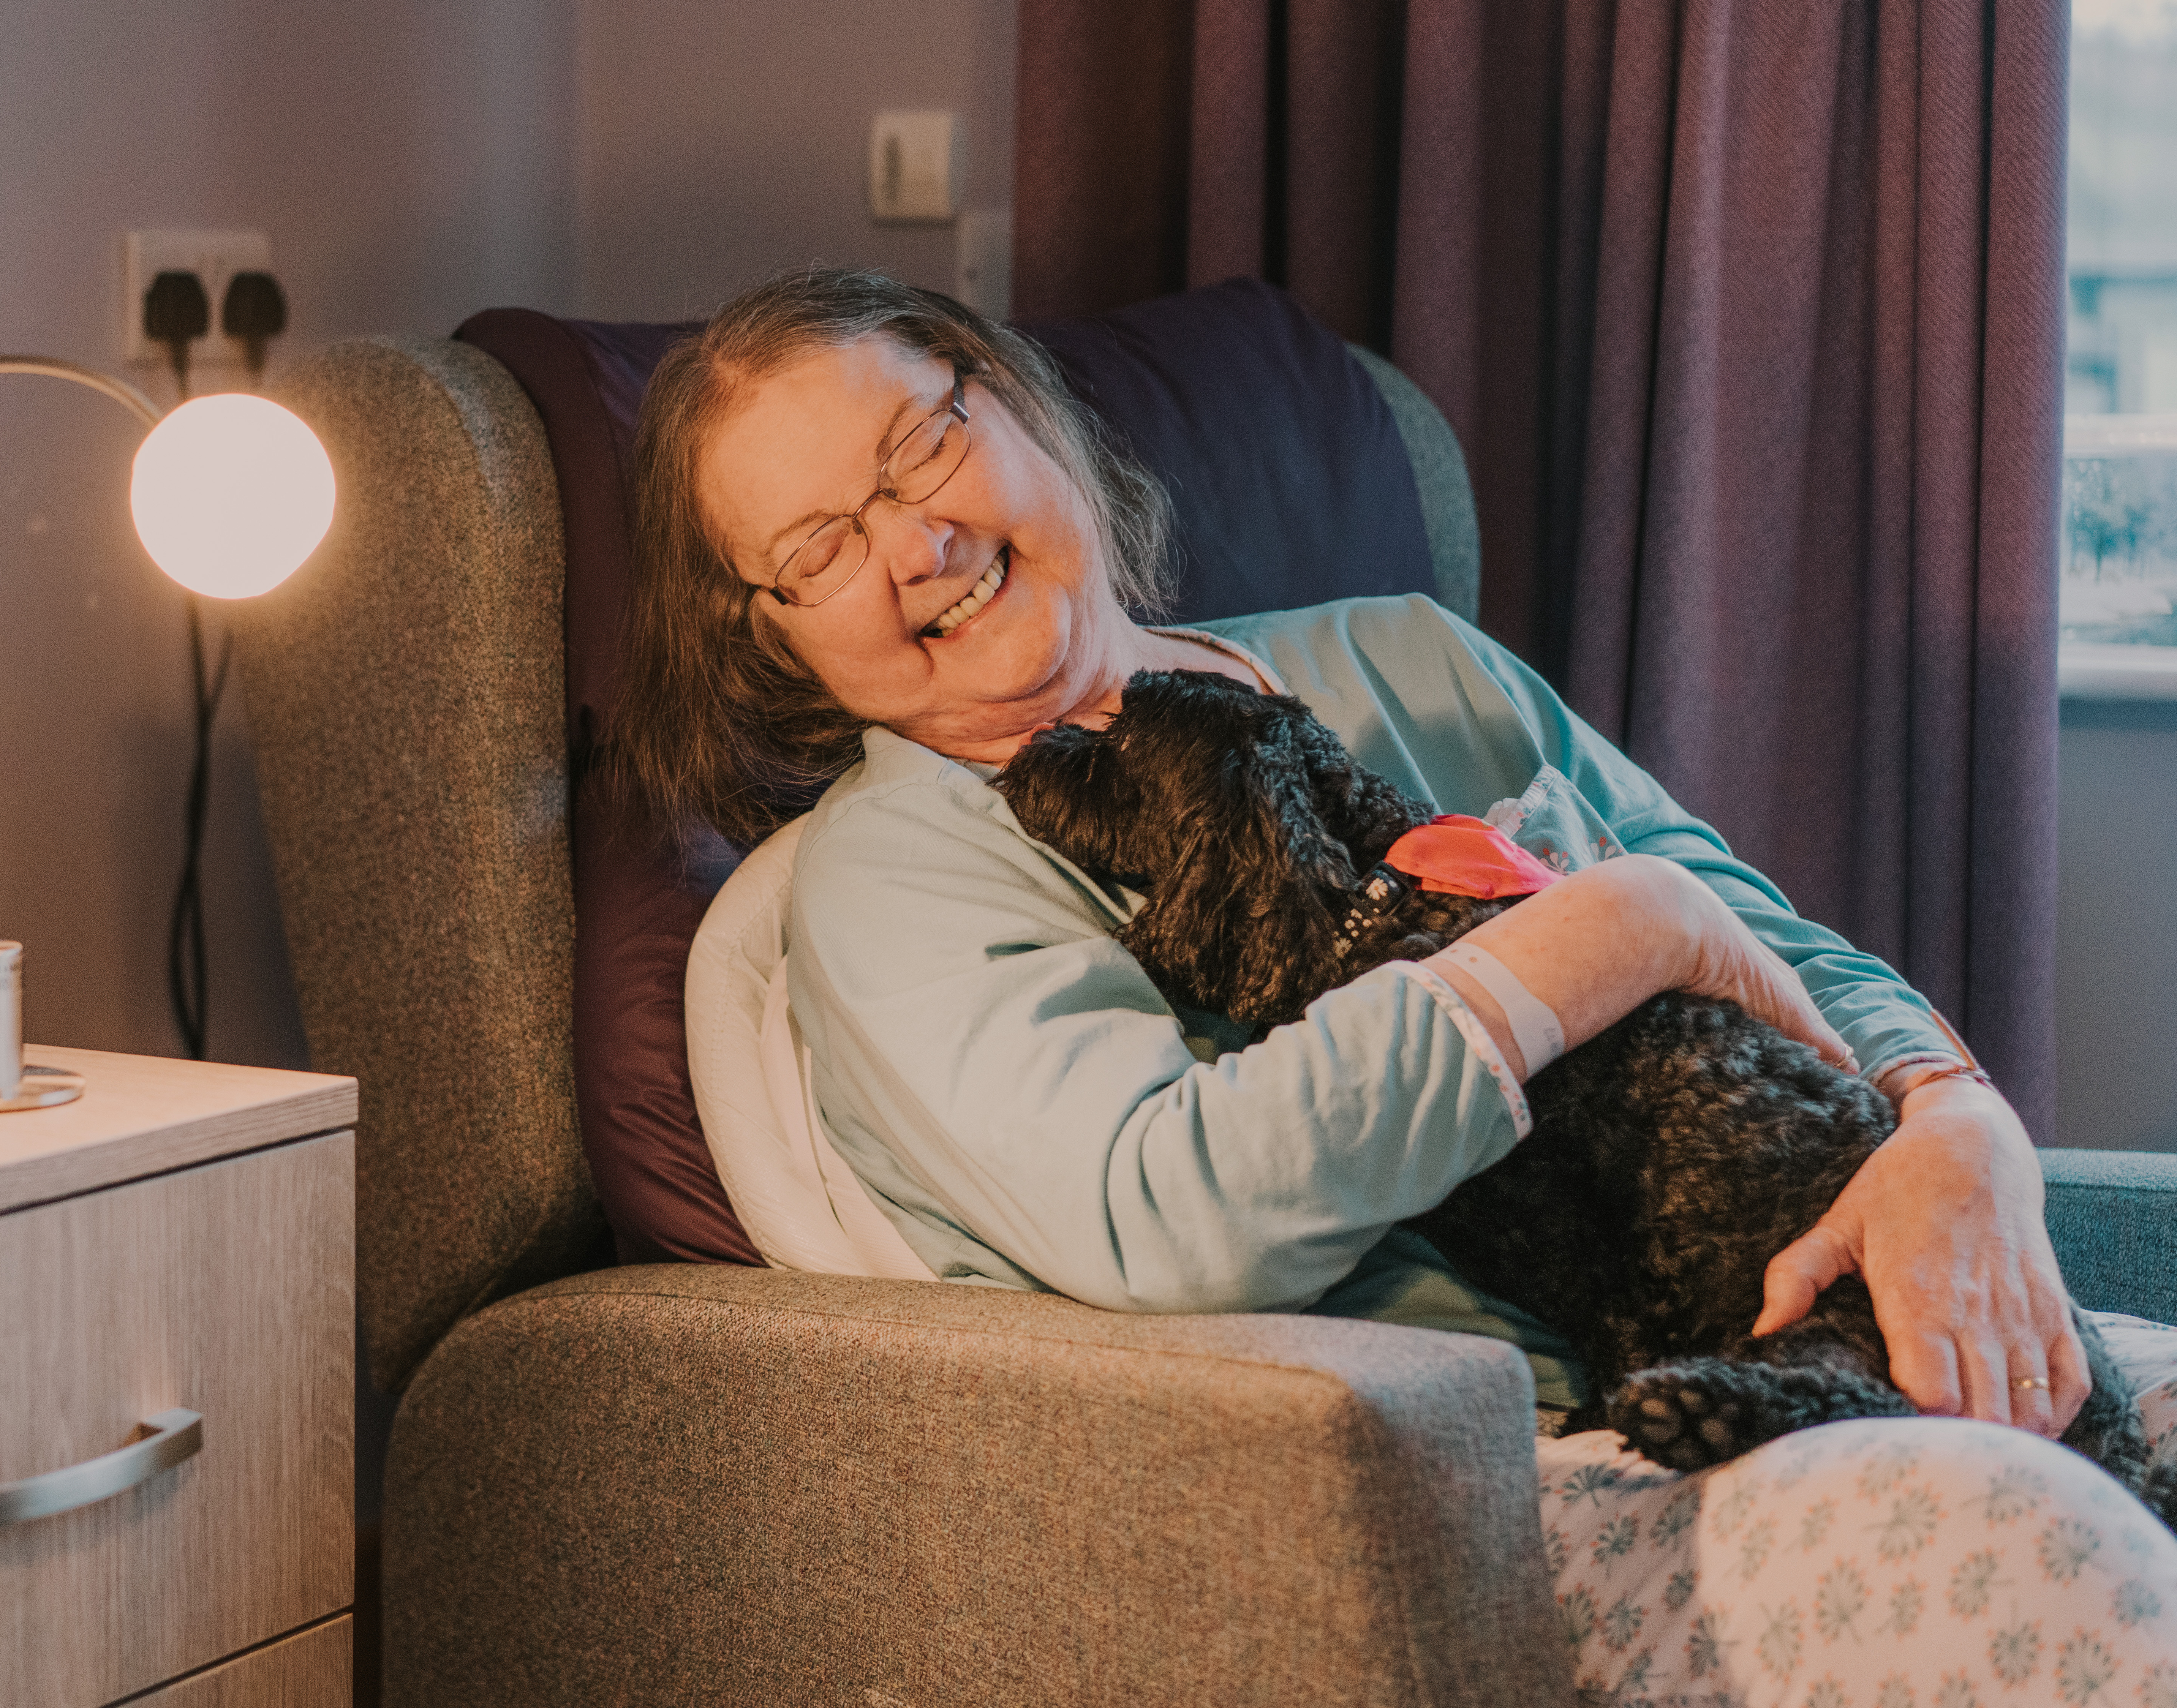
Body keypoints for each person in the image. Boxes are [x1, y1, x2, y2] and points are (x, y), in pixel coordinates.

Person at [618, 267, 2177, 1705]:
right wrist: (1590, 944)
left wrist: (1952, 1125)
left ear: (1012, 409)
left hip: (1823, 1314)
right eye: (819, 550)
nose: (912, 543)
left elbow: (1778, 935)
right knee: (2060, 1569)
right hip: (1520, 1475)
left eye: (919, 455)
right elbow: (1170, 1215)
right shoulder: (894, 879)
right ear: (773, 643)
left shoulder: (1408, 658)